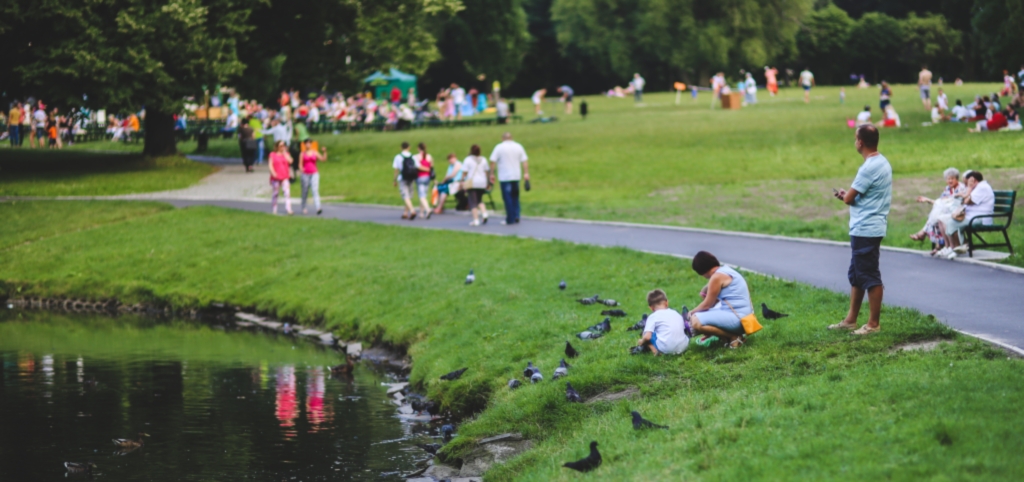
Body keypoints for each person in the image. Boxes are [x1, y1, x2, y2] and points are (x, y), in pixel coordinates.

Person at [830, 125, 891, 335]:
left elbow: (849, 199)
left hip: (866, 228)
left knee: (869, 274)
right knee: (857, 273)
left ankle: (873, 324)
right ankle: (851, 320)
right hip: (870, 226)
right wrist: (849, 195)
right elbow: (863, 195)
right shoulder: (883, 162)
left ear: (860, 142)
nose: (855, 142)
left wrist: (845, 196)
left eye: (855, 138)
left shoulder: (868, 167)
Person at [688, 251, 754, 349]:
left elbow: (707, 305)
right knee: (702, 316)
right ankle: (726, 338)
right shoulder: (726, 270)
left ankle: (733, 336)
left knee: (696, 321)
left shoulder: (716, 277)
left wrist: (691, 313)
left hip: (739, 320)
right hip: (748, 319)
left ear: (702, 271)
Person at [937, 170, 996, 257]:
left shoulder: (982, 187)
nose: (965, 185)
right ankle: (953, 247)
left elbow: (967, 201)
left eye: (967, 183)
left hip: (980, 218)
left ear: (973, 180)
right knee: (942, 219)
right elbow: (964, 200)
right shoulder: (977, 187)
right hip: (970, 216)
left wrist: (969, 188)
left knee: (952, 222)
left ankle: (957, 247)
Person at [910, 168, 966, 248]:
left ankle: (926, 235)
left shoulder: (961, 188)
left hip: (957, 212)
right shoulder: (947, 189)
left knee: (936, 216)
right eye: (948, 179)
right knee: (936, 215)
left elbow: (956, 203)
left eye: (952, 178)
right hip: (947, 211)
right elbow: (940, 202)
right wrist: (928, 200)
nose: (950, 181)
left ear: (957, 179)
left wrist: (932, 201)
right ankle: (938, 244)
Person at [489, 132, 529, 225]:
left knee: (507, 198)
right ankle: (516, 215)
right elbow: (524, 161)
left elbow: (492, 161)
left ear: (502, 138)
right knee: (515, 197)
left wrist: (491, 174)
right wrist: (526, 173)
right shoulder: (518, 146)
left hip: (504, 177)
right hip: (516, 176)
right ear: (512, 138)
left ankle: (510, 218)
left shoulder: (499, 147)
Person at [635, 289, 688, 355]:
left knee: (646, 333)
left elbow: (647, 337)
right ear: (666, 303)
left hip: (667, 348)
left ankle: (655, 351)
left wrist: (641, 341)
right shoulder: (676, 313)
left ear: (651, 308)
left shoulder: (653, 316)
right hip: (683, 346)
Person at [460, 145, 491, 226]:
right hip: (482, 182)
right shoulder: (483, 159)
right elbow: (487, 171)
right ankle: (484, 213)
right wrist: (487, 182)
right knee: (479, 199)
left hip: (472, 182)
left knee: (473, 202)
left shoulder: (468, 159)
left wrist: (462, 180)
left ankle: (476, 220)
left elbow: (464, 172)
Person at [299, 139, 327, 215]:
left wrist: (324, 152)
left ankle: (318, 207)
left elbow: (323, 159)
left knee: (315, 190)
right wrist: (301, 169)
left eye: (309, 143)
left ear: (311, 144)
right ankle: (303, 207)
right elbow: (300, 164)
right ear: (305, 144)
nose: (308, 144)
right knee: (305, 191)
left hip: (314, 173)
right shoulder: (302, 153)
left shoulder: (315, 152)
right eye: (306, 143)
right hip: (305, 174)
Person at [392, 142, 418, 220]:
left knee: (405, 196)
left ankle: (412, 211)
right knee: (409, 196)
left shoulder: (398, 157)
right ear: (409, 147)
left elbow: (396, 169)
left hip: (403, 177)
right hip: (411, 178)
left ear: (401, 148)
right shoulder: (413, 156)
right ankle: (405, 213)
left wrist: (394, 180)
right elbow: (416, 166)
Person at [268, 141, 294, 215]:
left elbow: (291, 161)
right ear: (277, 146)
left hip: (285, 177)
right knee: (275, 194)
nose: (282, 147)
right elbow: (270, 165)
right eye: (281, 146)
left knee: (287, 193)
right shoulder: (272, 154)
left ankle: (288, 209)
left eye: (284, 145)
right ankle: (274, 209)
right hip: (276, 177)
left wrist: (284, 153)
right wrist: (273, 173)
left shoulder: (286, 154)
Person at [413, 142, 434, 219]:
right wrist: (428, 169)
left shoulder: (416, 157)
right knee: (424, 195)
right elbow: (432, 166)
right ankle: (421, 213)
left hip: (420, 177)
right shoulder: (429, 156)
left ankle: (428, 209)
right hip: (427, 177)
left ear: (418, 148)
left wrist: (426, 169)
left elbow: (417, 166)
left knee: (421, 196)